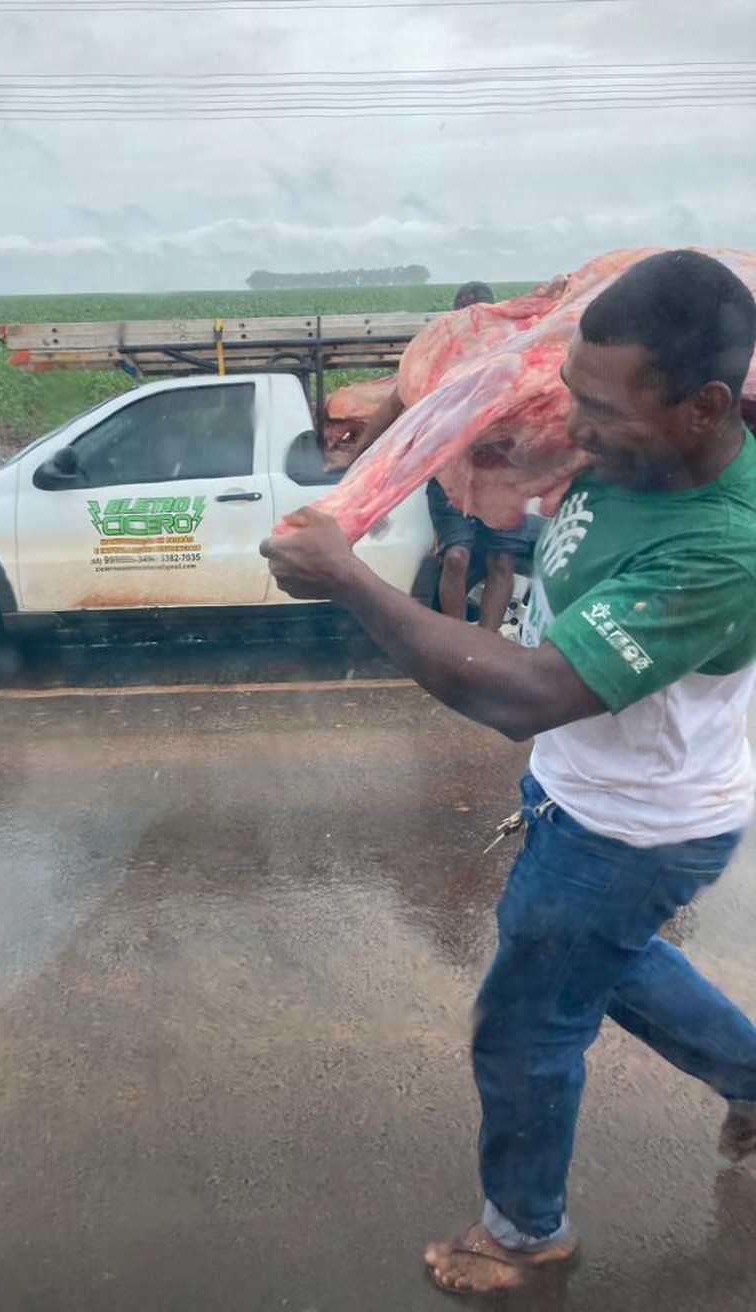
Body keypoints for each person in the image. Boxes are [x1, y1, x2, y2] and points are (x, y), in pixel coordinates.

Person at [261, 250, 756, 1295]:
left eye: (601, 411)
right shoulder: (641, 449)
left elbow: (524, 694)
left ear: (706, 408)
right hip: (586, 790)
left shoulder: (723, 547)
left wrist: (349, 579)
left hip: (633, 829)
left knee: (526, 1024)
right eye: (569, 393)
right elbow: (506, 403)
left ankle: (524, 1231)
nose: (572, 427)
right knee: (608, 965)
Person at [345, 280, 539, 631]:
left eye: (482, 314)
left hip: (504, 475)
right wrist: (360, 457)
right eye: (467, 315)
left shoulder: (518, 351)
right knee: (456, 556)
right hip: (452, 475)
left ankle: (487, 645)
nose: (475, 323)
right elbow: (394, 404)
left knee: (502, 561)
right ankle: (456, 640)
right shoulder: (437, 361)